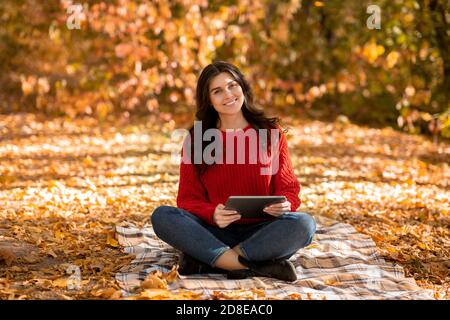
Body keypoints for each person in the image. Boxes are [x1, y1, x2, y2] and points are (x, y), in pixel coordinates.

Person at [151, 61, 316, 282]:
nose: (228, 94)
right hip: (213, 231)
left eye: (232, 85)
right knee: (162, 216)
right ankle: (256, 265)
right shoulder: (197, 140)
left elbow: (288, 188)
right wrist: (212, 213)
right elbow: (188, 199)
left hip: (262, 232)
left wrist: (286, 204)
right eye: (217, 91)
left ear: (242, 87)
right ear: (208, 100)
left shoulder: (270, 133)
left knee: (304, 224)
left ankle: (208, 259)